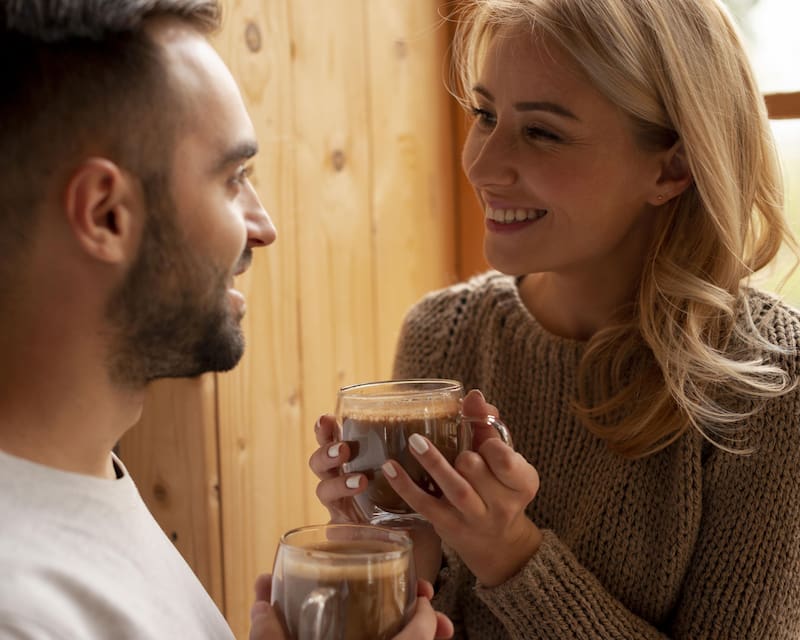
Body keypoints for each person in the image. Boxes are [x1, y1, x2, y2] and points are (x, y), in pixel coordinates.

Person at [310, 0, 800, 637]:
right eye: (485, 115)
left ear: (672, 166)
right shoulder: (442, 334)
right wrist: (383, 548)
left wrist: (509, 555)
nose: (482, 166)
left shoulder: (772, 380)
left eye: (542, 132)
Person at [0, 2, 452, 639]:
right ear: (106, 215)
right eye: (233, 177)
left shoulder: (82, 484)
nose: (264, 227)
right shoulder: (21, 606)